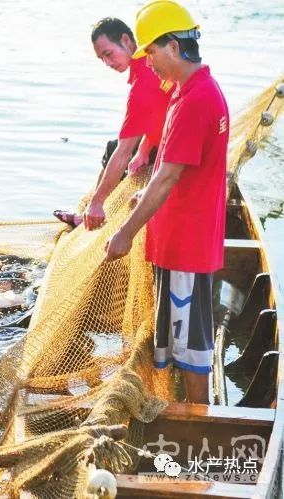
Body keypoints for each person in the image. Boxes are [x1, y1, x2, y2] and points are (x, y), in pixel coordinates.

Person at [104, 0, 229, 404]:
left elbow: (169, 175)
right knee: (179, 338)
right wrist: (146, 191)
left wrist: (124, 233)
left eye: (152, 52)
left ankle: (199, 425)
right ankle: (188, 412)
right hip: (180, 240)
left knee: (191, 347)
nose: (149, 62)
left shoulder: (195, 99)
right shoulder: (189, 91)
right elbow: (174, 169)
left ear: (174, 47)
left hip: (185, 248)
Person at [53, 17, 174, 230]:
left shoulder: (143, 82)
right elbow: (160, 115)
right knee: (116, 148)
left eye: (108, 54)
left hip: (174, 153)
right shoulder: (150, 62)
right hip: (171, 139)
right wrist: (144, 149)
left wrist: (97, 202)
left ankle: (92, 213)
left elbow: (124, 150)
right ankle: (92, 210)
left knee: (116, 150)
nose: (107, 64)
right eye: (102, 59)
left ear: (127, 41)